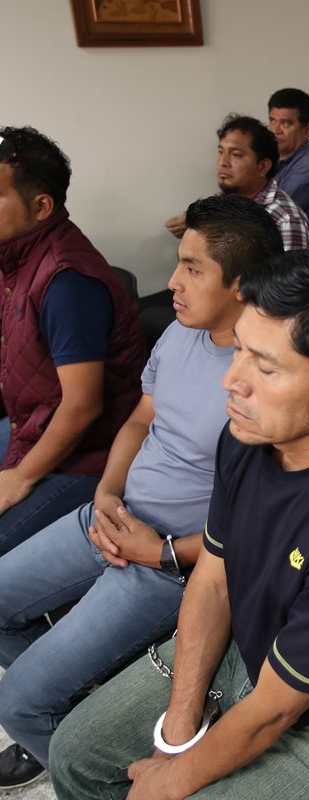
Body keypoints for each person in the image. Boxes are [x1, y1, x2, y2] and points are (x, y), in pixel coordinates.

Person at [48, 250, 309, 800]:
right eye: (239, 350)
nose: (232, 382)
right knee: (75, 754)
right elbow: (214, 579)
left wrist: (169, 782)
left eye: (265, 367)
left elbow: (275, 712)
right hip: (254, 645)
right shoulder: (249, 434)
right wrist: (179, 729)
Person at [0, 195, 284, 789]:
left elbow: (258, 532)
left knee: (17, 702)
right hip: (112, 514)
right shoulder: (182, 333)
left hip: (170, 562)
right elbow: (138, 421)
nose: (173, 282)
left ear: (241, 284)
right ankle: (78, 704)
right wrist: (107, 494)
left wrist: (159, 551)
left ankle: (92, 763)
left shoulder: (267, 379)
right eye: (179, 262)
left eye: (193, 268)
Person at [0, 126, 143, 556]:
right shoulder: (17, 256)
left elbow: (82, 406)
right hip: (31, 423)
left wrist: (21, 477)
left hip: (85, 456)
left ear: (41, 206)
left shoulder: (67, 281)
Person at [164, 114, 309, 249]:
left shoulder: (286, 219)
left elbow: (292, 270)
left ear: (262, 167)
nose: (223, 162)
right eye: (221, 152)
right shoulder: (222, 203)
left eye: (236, 155)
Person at [268, 88, 309, 233]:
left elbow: (270, 213)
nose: (275, 130)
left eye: (286, 123)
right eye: (272, 121)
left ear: (306, 129)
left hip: (302, 244)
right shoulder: (272, 158)